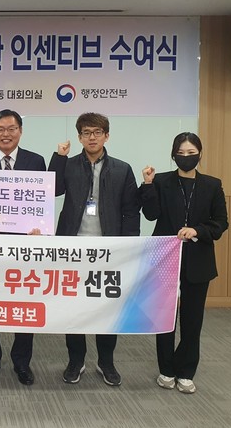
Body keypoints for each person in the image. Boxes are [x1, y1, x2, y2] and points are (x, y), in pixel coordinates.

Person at [48, 112, 140, 387]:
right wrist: (59, 158)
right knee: (74, 307)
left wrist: (128, 245)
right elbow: (52, 190)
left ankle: (106, 362)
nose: (92, 137)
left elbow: (130, 210)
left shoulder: (122, 169)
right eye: (86, 133)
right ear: (79, 137)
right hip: (73, 245)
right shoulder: (69, 165)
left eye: (97, 132)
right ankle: (76, 361)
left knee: (107, 307)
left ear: (106, 136)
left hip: (108, 248)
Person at [140, 132, 228, 394]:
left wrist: (197, 230)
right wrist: (147, 184)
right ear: (173, 155)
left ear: (200, 154)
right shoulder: (161, 181)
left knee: (192, 319)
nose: (186, 157)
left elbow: (221, 223)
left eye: (191, 153)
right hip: (165, 257)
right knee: (164, 317)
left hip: (198, 259)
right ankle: (166, 370)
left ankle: (187, 371)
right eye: (181, 153)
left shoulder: (212, 185)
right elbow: (151, 214)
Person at [0, 109, 46, 386]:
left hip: (24, 248)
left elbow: (41, 202)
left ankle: (21, 362)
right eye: (0, 129)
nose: (6, 134)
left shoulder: (35, 161)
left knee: (23, 306)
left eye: (11, 129)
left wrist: (40, 227)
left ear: (20, 131)